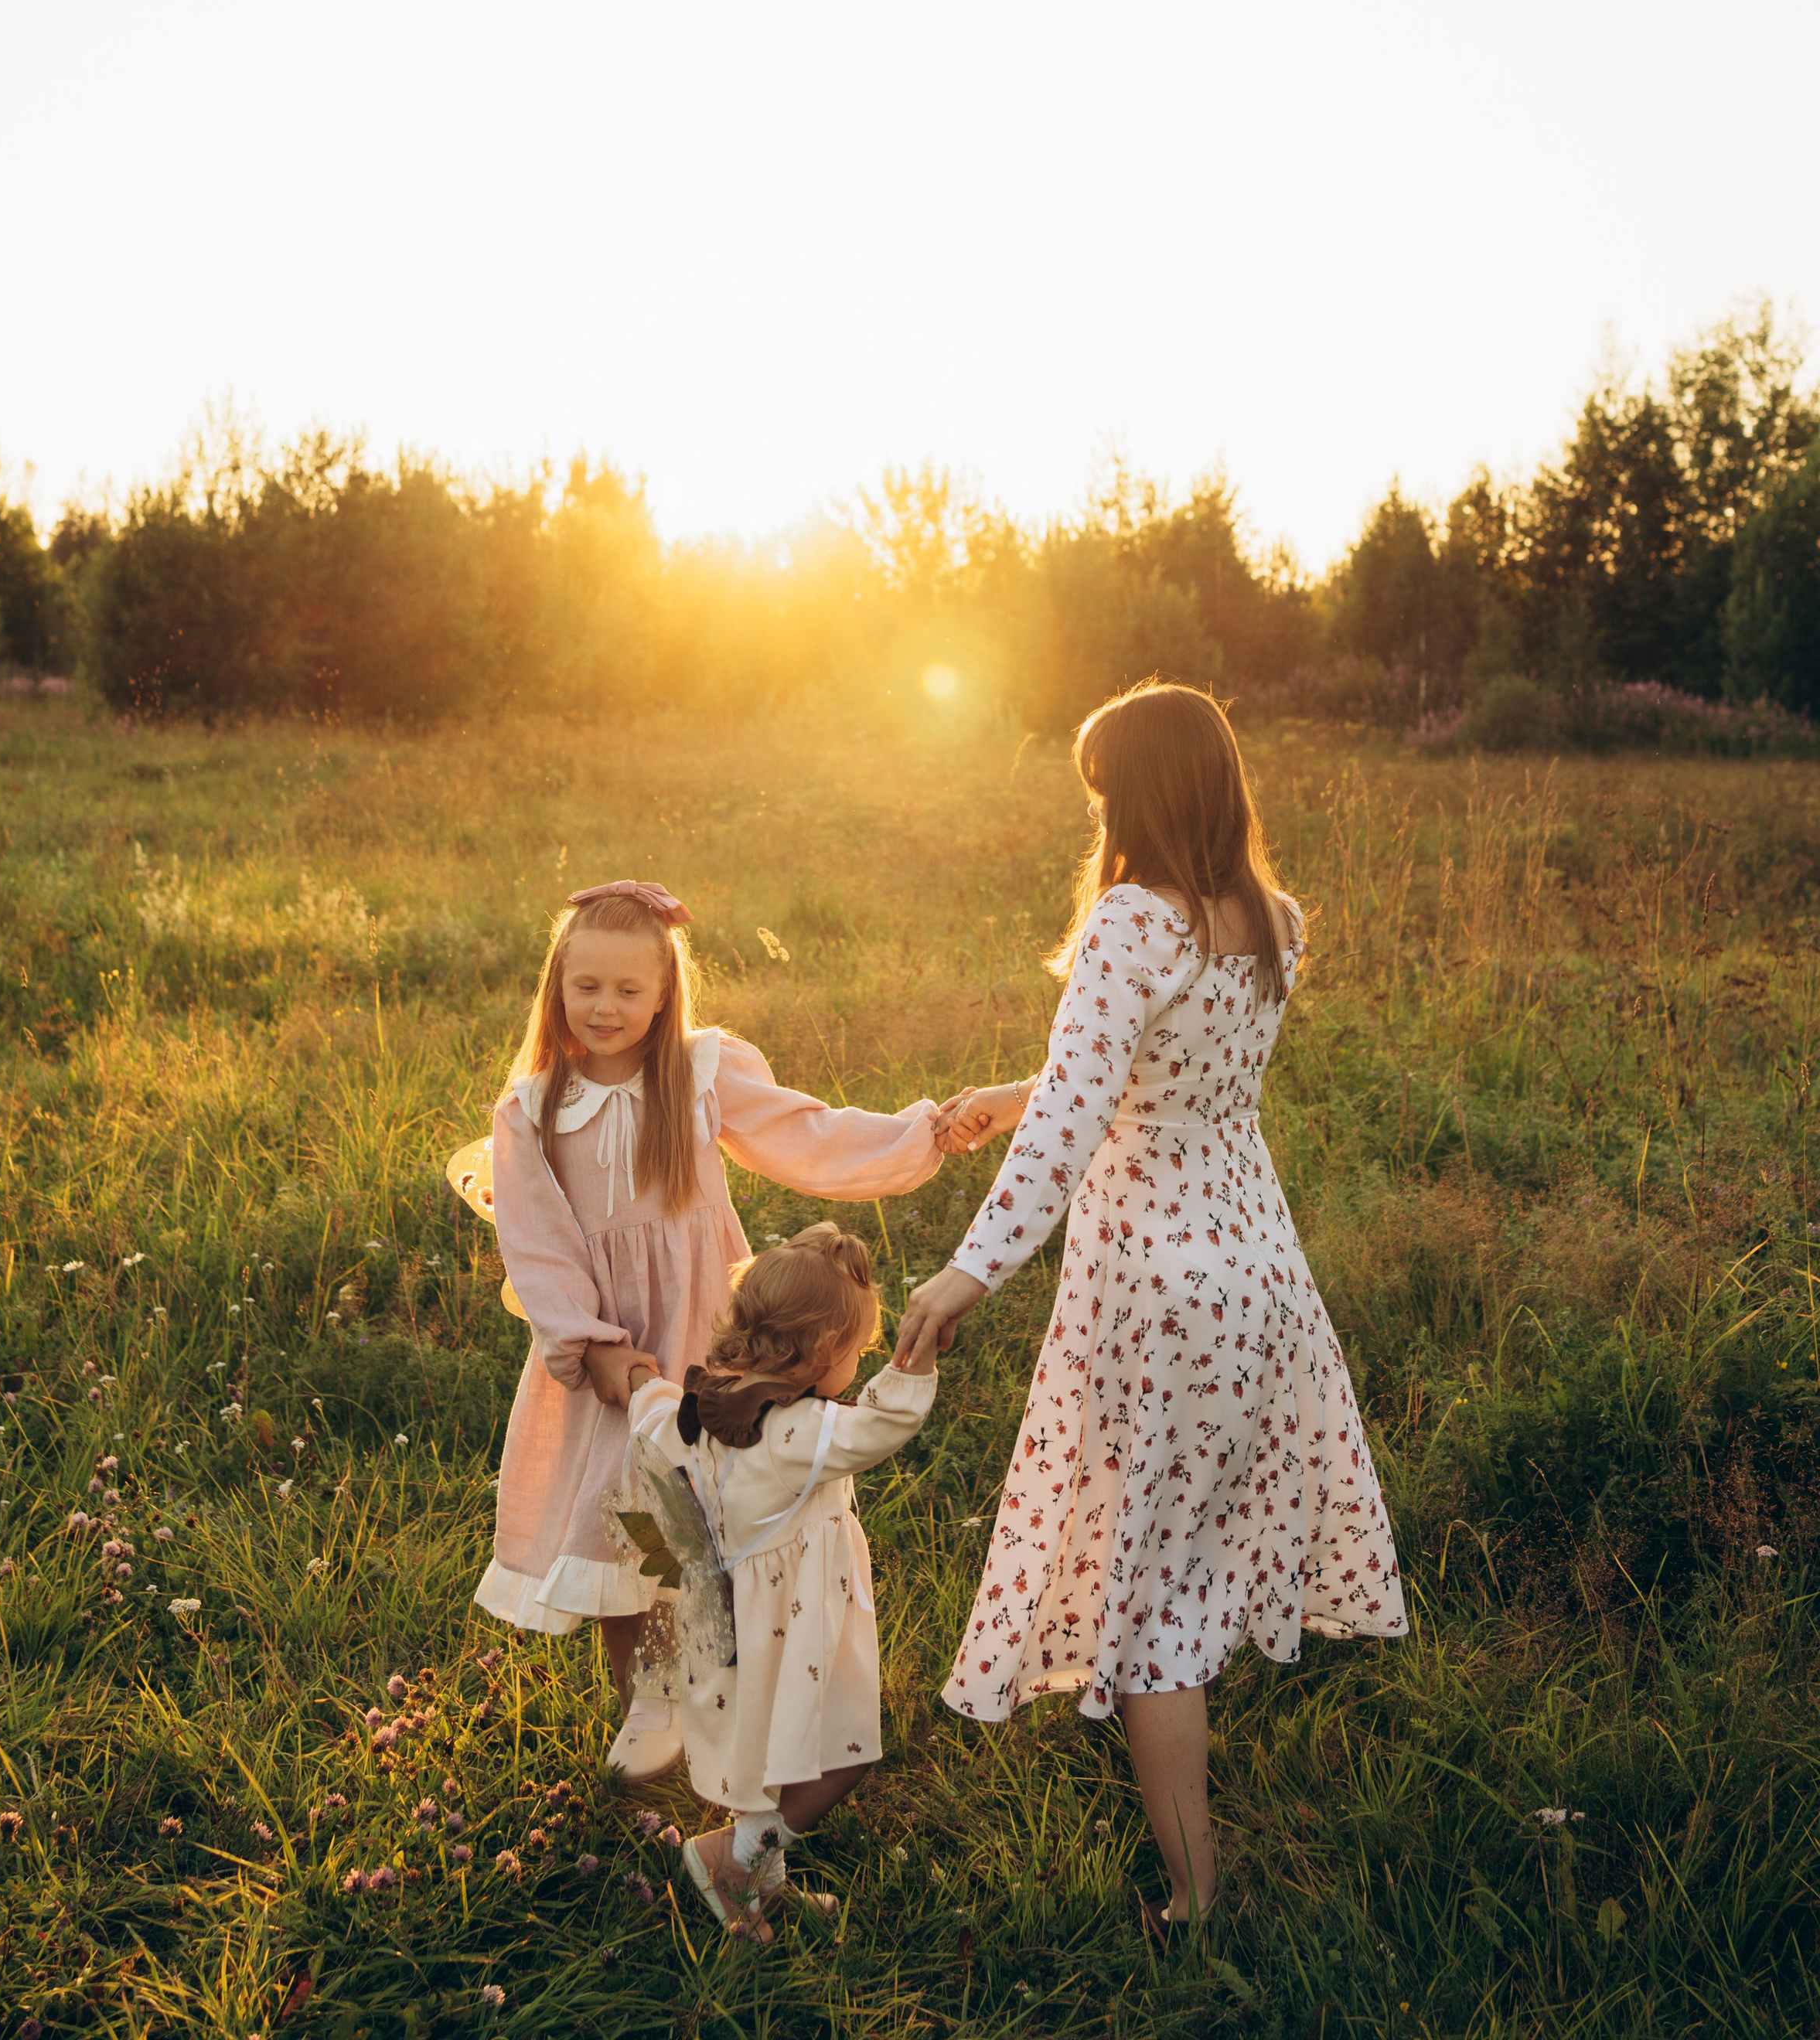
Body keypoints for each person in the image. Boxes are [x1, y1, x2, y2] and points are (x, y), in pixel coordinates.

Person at [893, 683, 1406, 1927]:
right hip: (1258, 1278)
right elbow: (1138, 1074)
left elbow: (1083, 1119)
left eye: (1104, 790)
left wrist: (969, 1271)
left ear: (1139, 792)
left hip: (1160, 1283)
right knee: (1181, 1544)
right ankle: (1167, 1790)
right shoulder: (1266, 917)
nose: (1099, 813)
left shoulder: (1132, 918)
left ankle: (1194, 1898)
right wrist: (1013, 1093)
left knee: (1160, 1595)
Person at [475, 879, 952, 1782]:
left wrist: (917, 1133)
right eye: (587, 987)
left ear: (663, 991)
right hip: (616, 1351)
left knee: (708, 1513)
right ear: (556, 987)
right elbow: (536, 1243)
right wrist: (594, 1344)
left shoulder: (699, 1071)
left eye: (627, 989)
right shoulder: (531, 1108)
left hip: (704, 1336)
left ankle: (726, 1686)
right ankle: (649, 1692)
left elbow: (808, 1134)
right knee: (621, 1517)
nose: (606, 1007)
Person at [625, 1222, 938, 1940]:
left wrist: (640, 1382)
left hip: (739, 1624)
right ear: (824, 1350)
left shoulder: (701, 1405)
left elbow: (648, 1419)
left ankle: (758, 1878)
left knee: (776, 1749)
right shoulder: (795, 1435)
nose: (856, 1366)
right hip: (802, 1625)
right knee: (842, 1754)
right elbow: (888, 1423)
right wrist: (915, 1357)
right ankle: (733, 1860)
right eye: (856, 1352)